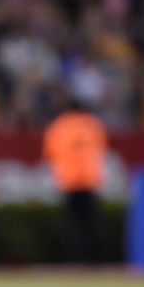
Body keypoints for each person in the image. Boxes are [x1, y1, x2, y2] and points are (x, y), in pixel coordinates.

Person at [42, 101, 107, 264]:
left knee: (72, 227)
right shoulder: (93, 125)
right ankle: (93, 261)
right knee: (91, 226)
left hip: (68, 181)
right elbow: (102, 149)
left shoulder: (58, 126)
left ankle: (73, 260)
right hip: (89, 181)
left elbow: (49, 153)